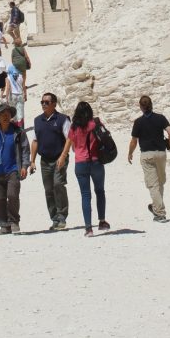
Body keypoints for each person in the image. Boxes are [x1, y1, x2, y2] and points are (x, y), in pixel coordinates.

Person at [57, 101, 110, 237]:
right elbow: (104, 137)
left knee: (85, 195)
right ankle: (102, 221)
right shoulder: (95, 124)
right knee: (100, 191)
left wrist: (62, 157)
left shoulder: (74, 127)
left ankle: (88, 228)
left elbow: (69, 144)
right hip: (96, 161)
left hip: (81, 163)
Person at [0, 103, 30, 234]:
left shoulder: (18, 131)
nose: (5, 116)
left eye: (7, 114)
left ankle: (14, 221)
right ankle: (4, 225)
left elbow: (25, 149)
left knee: (12, 195)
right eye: (2, 114)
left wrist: (25, 165)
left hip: (13, 169)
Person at [128, 95, 170, 223]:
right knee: (160, 182)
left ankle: (160, 213)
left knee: (153, 185)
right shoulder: (161, 118)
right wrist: (168, 144)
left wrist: (130, 153)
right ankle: (156, 206)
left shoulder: (138, 122)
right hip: (161, 153)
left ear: (141, 107)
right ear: (151, 105)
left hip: (147, 155)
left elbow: (134, 141)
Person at [29, 93, 71, 231]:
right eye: (42, 102)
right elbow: (35, 141)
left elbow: (69, 139)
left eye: (47, 102)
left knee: (58, 185)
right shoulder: (37, 121)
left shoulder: (63, 119)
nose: (43, 104)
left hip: (59, 158)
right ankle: (54, 219)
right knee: (48, 190)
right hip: (44, 160)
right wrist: (32, 160)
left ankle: (62, 216)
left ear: (54, 104)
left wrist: (63, 156)